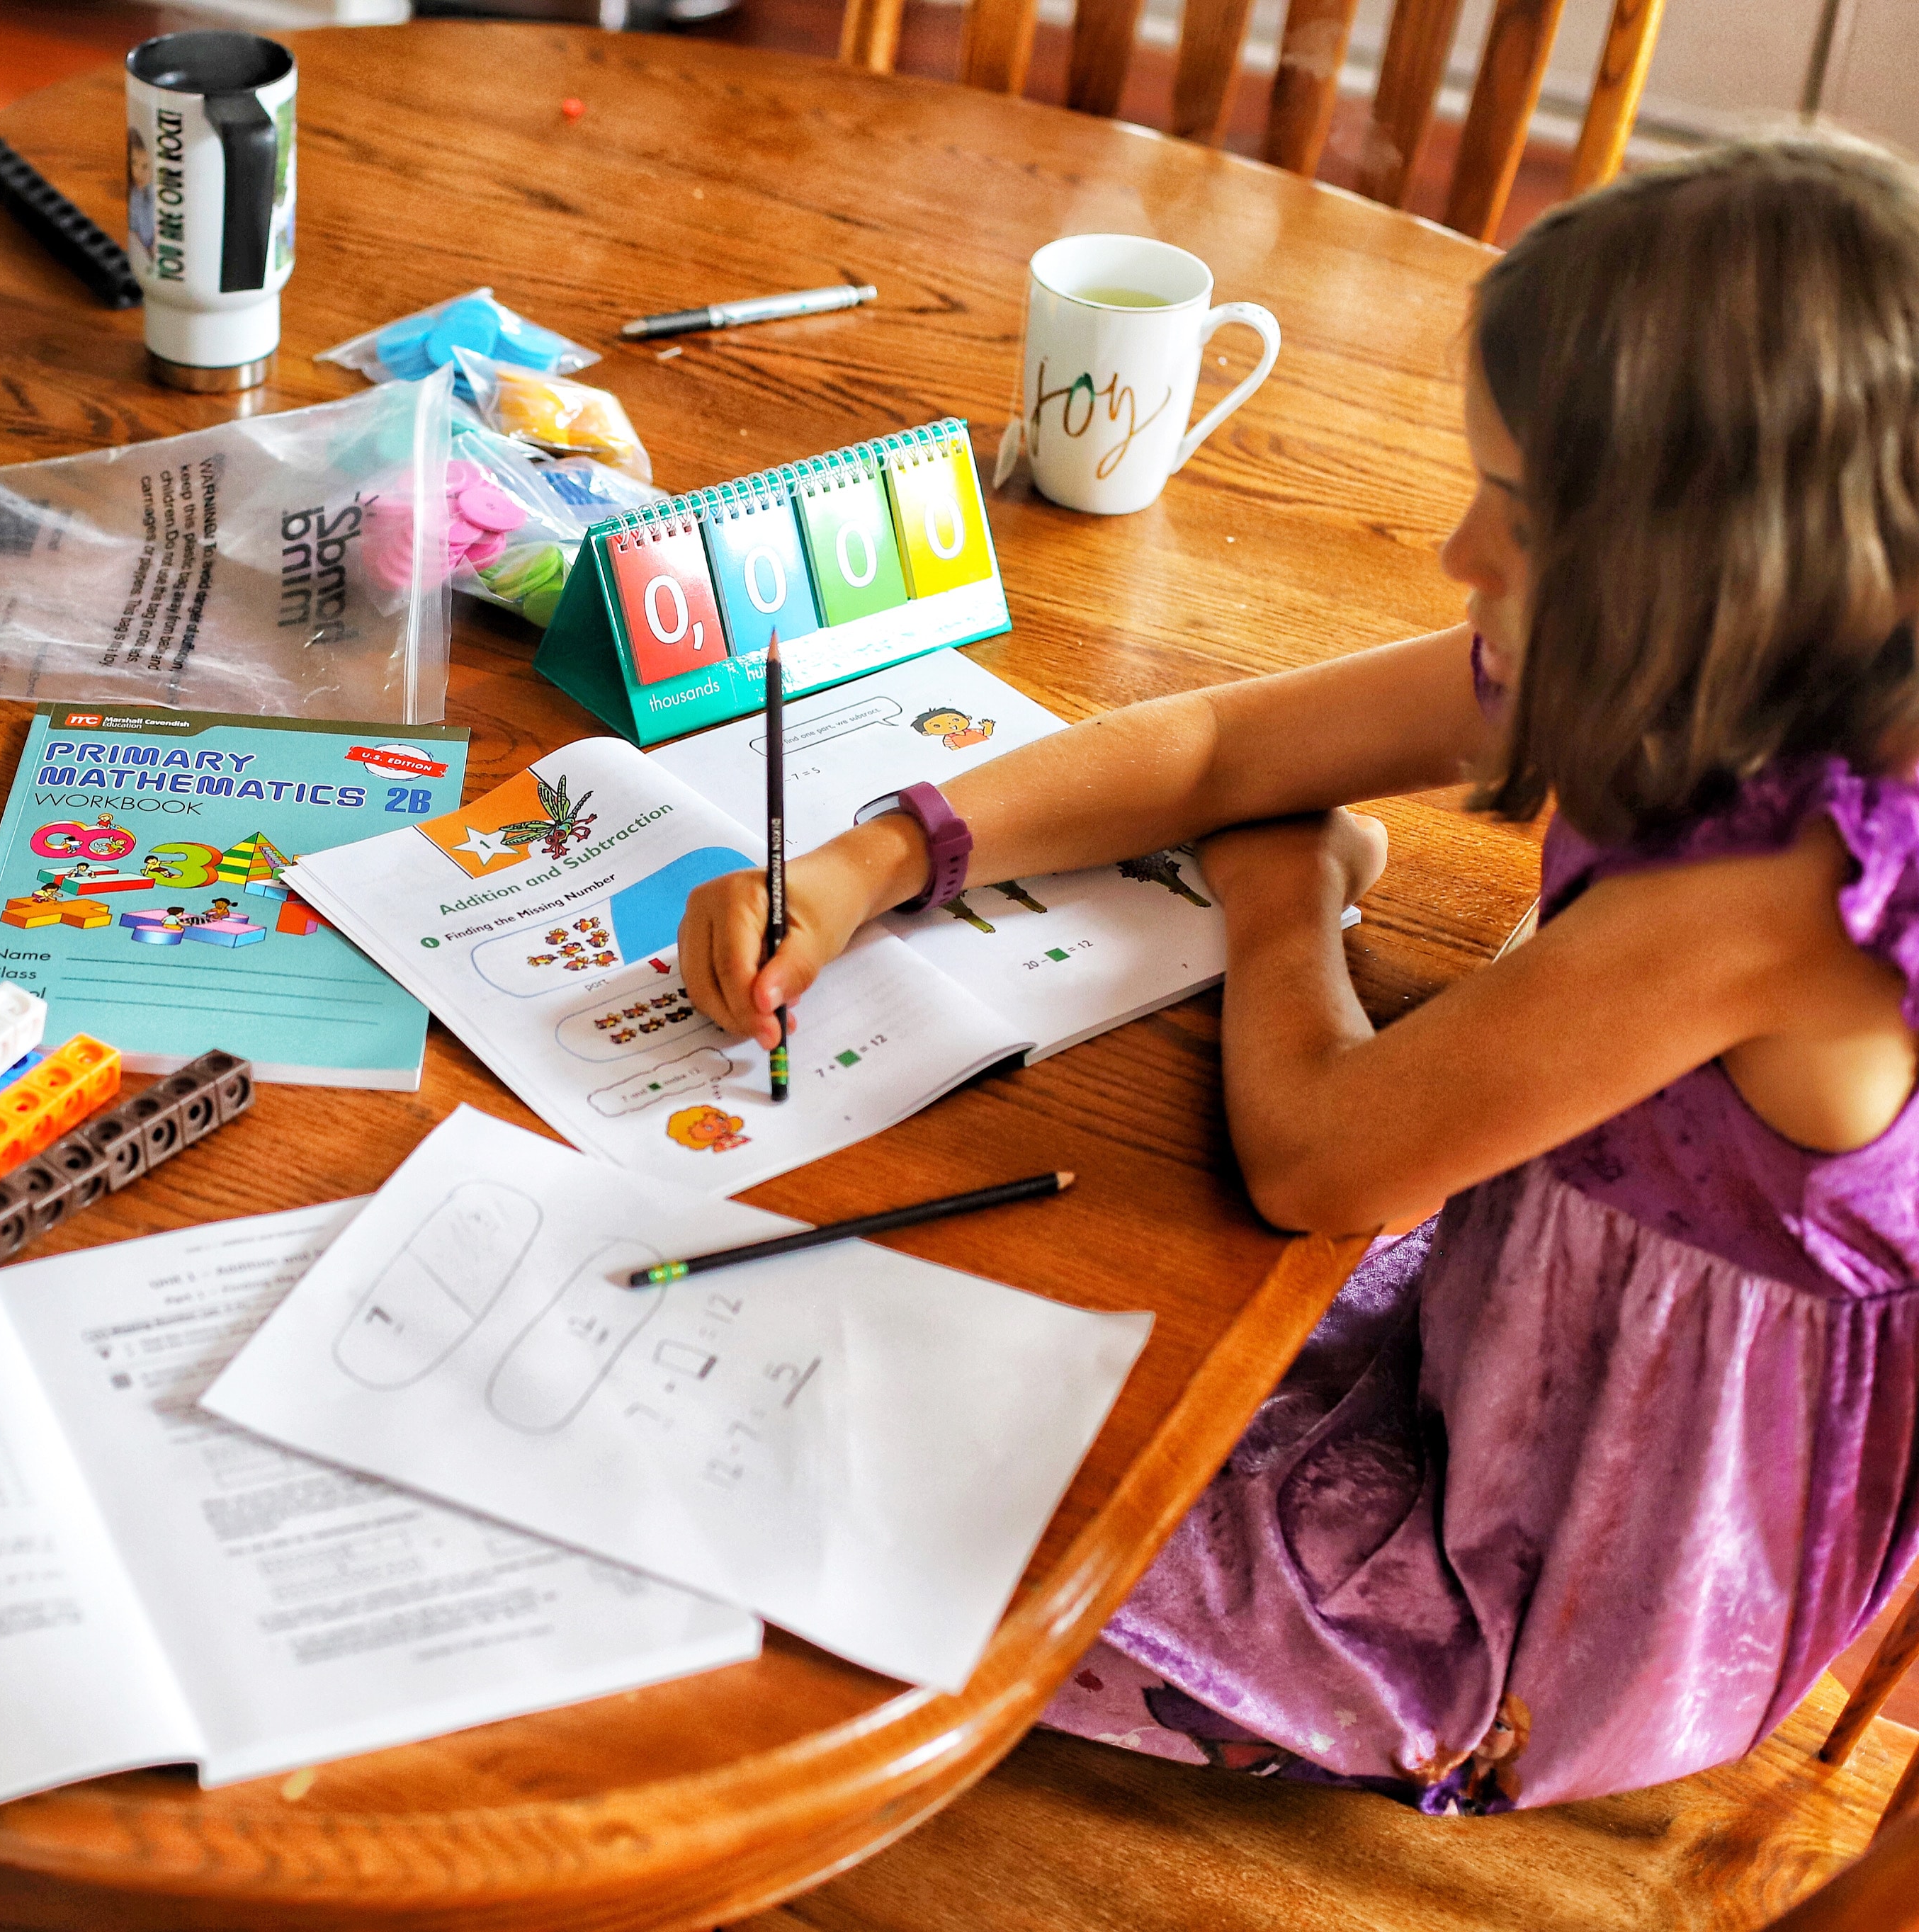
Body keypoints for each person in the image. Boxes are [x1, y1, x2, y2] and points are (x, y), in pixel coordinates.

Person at [679, 135, 1919, 1813]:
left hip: (1561, 1578)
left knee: (913, 1535)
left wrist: (1287, 897)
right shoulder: (1706, 657)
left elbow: (1322, 1159)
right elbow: (1220, 742)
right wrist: (872, 859)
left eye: (1517, 515)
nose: (1459, 553)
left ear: (1705, 571)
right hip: (1504, 1323)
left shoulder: (1771, 899)